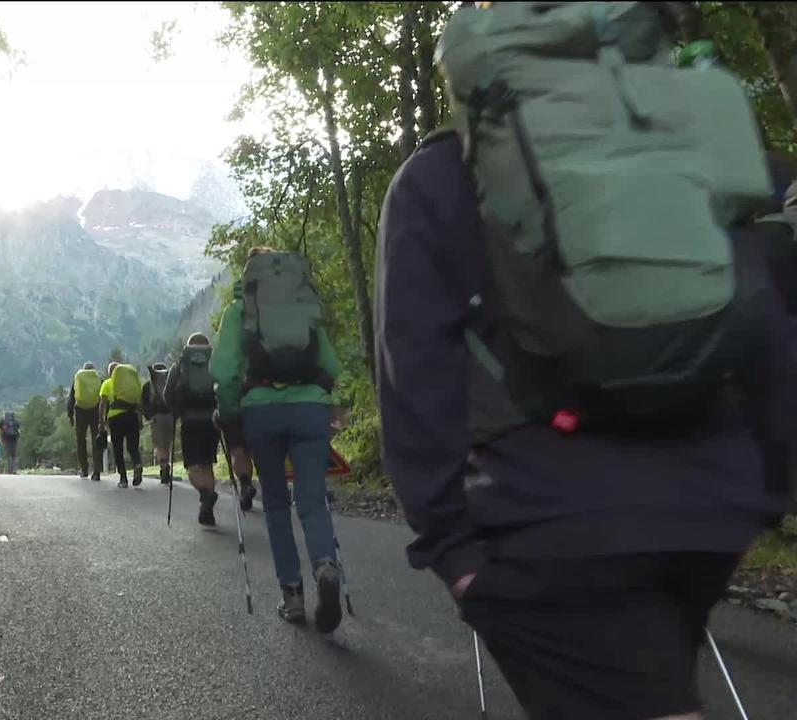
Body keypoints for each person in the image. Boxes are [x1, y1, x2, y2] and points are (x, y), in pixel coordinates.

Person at [375, 4, 793, 717]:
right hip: (715, 503)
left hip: (546, 521)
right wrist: (769, 478)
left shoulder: (440, 175)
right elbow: (767, 309)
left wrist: (450, 543)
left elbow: (414, 370)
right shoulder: (691, 147)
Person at [211, 249, 344, 632]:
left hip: (262, 413)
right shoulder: (302, 304)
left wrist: (231, 416)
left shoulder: (242, 312)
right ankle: (325, 566)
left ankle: (293, 597)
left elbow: (225, 372)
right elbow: (332, 366)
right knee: (312, 499)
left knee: (274, 503)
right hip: (311, 411)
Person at [164, 333, 225, 525]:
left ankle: (206, 494)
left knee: (192, 466)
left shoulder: (181, 364)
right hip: (212, 421)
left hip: (190, 421)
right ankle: (207, 510)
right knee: (206, 464)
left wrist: (175, 409)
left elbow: (167, 393)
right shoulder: (214, 362)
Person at [99, 361, 143, 488]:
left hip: (115, 418)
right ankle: (137, 464)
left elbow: (102, 404)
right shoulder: (130, 385)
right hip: (132, 416)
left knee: (118, 448)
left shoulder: (107, 384)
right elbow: (138, 403)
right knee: (133, 446)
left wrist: (101, 421)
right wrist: (139, 419)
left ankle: (123, 479)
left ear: (110, 373)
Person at [67, 361, 105, 481]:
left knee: (81, 440)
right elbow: (104, 398)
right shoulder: (99, 378)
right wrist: (104, 417)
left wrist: (70, 415)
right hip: (95, 411)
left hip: (80, 412)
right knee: (96, 441)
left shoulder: (78, 378)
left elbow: (71, 398)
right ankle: (97, 471)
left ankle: (84, 469)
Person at [141, 362, 175, 485]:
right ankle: (167, 465)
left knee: (160, 446)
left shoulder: (147, 386)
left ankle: (164, 467)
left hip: (156, 417)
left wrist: (148, 417)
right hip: (171, 416)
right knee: (167, 444)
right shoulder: (170, 383)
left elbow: (143, 404)